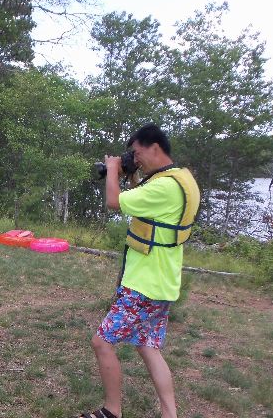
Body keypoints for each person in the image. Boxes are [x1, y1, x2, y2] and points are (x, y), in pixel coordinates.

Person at [80, 124, 200, 418]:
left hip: (143, 285)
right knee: (147, 347)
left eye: (136, 153)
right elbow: (143, 203)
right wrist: (130, 174)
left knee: (102, 342)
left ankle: (112, 411)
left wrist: (112, 169)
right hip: (163, 282)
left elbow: (114, 202)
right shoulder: (180, 179)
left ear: (154, 147)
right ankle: (170, 414)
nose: (134, 158)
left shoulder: (163, 187)